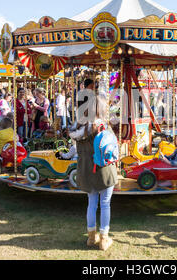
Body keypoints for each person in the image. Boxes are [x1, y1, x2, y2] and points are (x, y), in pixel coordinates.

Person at [70, 95, 117, 251]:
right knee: (105, 204)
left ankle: (91, 237)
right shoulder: (104, 127)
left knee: (91, 204)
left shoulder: (77, 128)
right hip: (103, 170)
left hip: (85, 170)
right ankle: (104, 239)